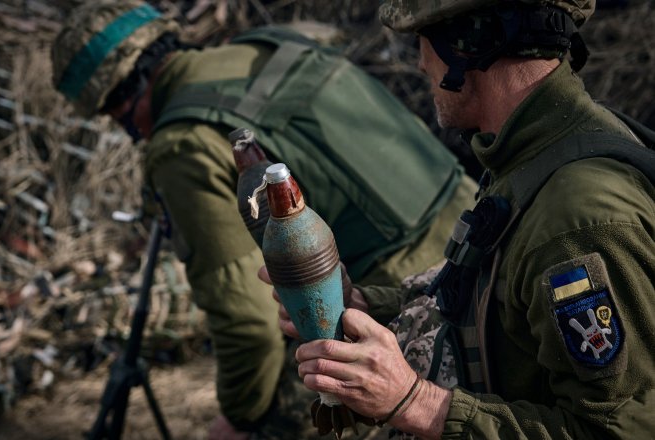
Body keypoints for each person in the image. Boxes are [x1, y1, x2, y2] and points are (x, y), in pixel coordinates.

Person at [50, 1, 478, 439]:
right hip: (478, 241)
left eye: (115, 115)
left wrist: (238, 418)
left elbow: (248, 325)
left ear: (125, 93)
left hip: (402, 299)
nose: (130, 131)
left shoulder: (182, 145)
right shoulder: (270, 46)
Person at [270, 0, 655, 438]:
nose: (419, 62)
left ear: (469, 44)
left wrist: (416, 402)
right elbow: (500, 312)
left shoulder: (578, 218)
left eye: (424, 38)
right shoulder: (532, 153)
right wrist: (364, 308)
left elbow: (619, 431)